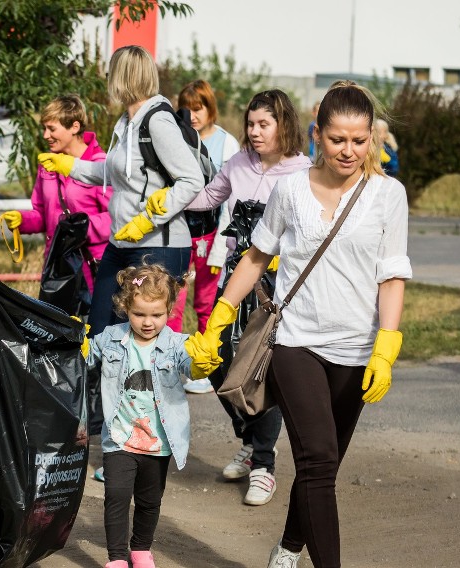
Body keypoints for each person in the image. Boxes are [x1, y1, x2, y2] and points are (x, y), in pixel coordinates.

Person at [206, 80, 412, 567]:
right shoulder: (291, 189)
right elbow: (257, 257)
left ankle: (288, 547)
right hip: (294, 341)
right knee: (317, 460)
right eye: (337, 139)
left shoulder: (389, 195)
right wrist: (218, 317)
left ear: (372, 139)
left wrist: (386, 346)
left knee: (324, 465)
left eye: (359, 140)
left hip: (357, 350)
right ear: (318, 134)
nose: (348, 150)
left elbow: (392, 277)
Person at [38, 44, 205, 482]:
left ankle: (145, 439)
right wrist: (70, 166)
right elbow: (112, 175)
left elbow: (192, 179)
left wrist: (149, 216)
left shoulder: (158, 121)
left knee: (146, 345)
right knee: (98, 335)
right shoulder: (126, 123)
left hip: (158, 244)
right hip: (122, 242)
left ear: (122, 76)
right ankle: (109, 435)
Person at [163, 89, 311, 506]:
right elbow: (208, 196)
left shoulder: (303, 171)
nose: (254, 131)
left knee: (262, 370)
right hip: (235, 279)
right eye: (250, 124)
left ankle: (263, 466)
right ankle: (249, 438)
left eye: (264, 124)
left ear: (284, 125)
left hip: (279, 288)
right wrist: (166, 198)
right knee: (216, 363)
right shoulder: (239, 163)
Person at [83, 263, 223, 568]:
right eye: (139, 314)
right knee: (117, 496)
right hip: (119, 437)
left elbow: (189, 365)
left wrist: (201, 365)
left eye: (156, 315)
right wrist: (74, 339)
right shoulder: (111, 337)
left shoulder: (176, 344)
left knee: (149, 501)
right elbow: (86, 356)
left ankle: (141, 549)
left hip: (158, 442)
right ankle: (117, 557)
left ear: (169, 309)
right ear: (125, 308)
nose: (148, 322)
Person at [169, 79, 240, 395]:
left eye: (198, 108)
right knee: (173, 297)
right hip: (180, 230)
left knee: (206, 301)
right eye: (186, 109)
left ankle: (206, 366)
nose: (192, 116)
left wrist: (224, 243)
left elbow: (230, 198)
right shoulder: (173, 138)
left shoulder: (227, 144)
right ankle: (170, 363)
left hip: (213, 233)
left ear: (210, 108)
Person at [2, 94, 110, 295]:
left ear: (74, 127)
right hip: (57, 268)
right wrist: (22, 221)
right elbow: (44, 216)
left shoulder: (100, 165)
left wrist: (80, 230)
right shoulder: (48, 166)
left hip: (94, 269)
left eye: (52, 129)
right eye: (44, 128)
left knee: (95, 326)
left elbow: (116, 217)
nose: (45, 135)